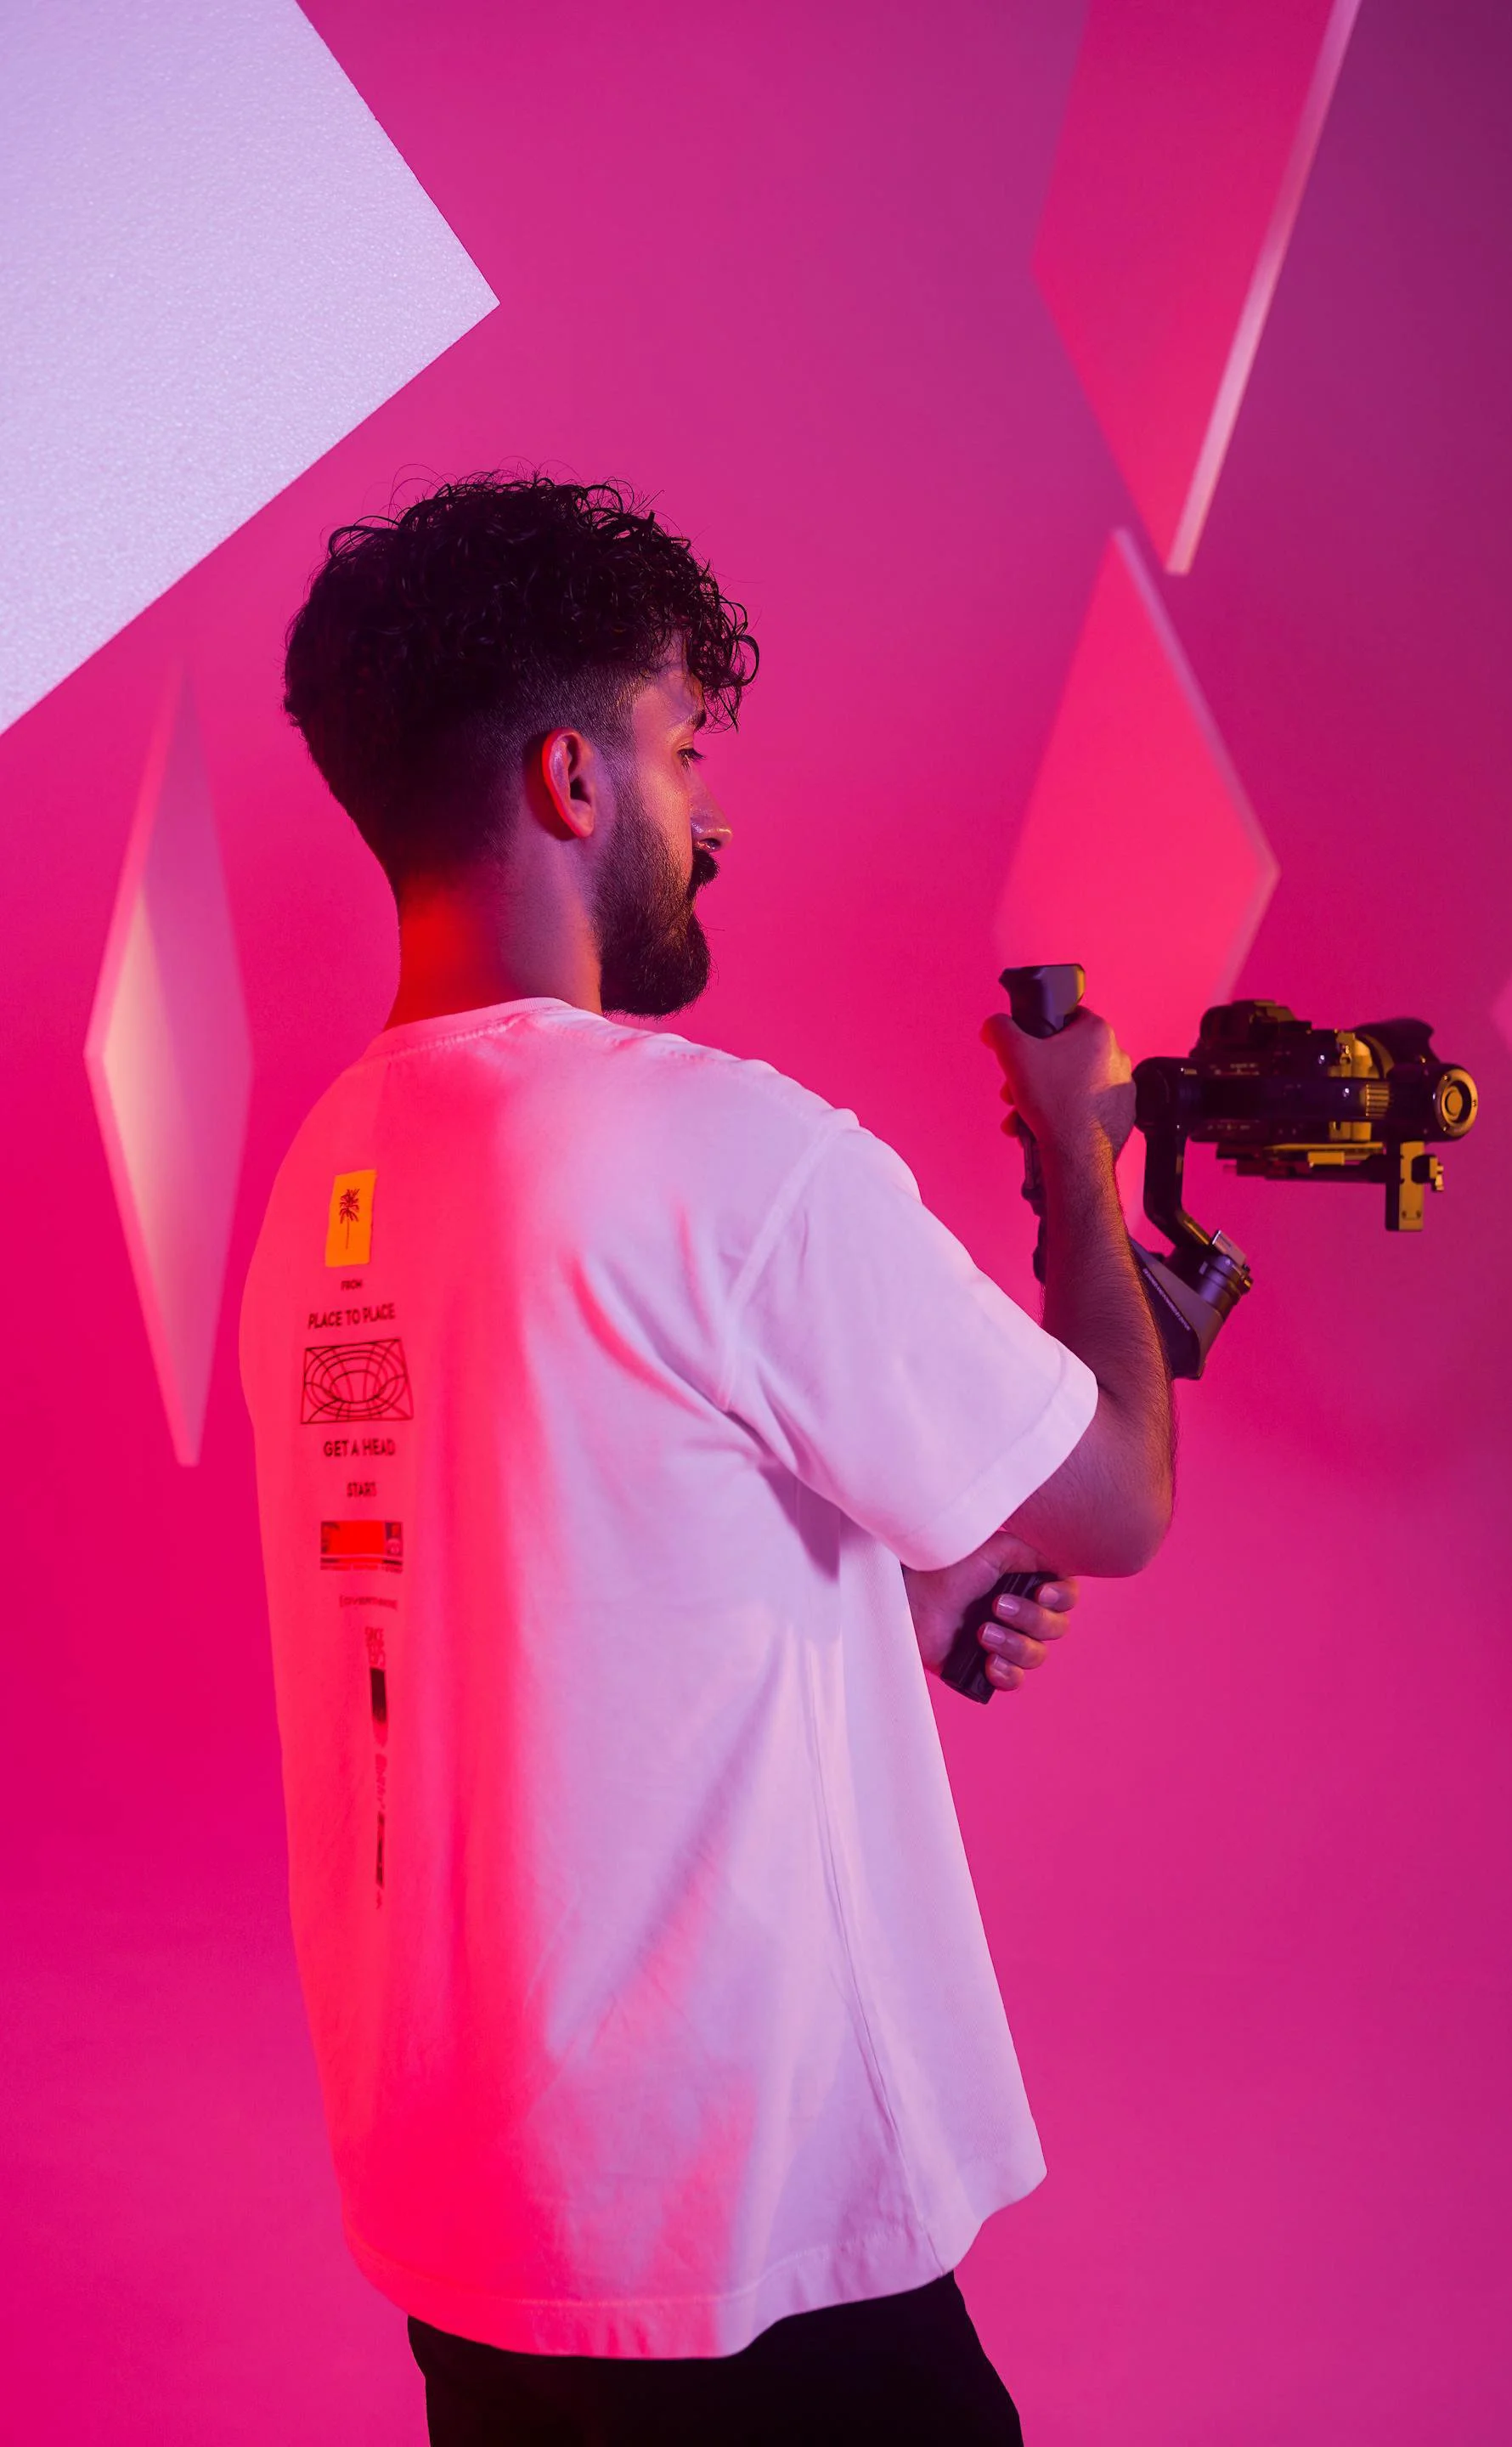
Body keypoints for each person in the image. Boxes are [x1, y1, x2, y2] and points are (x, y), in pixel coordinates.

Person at [240, 475, 1173, 2445]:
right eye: (681, 749)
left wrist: (891, 1609)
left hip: (476, 2230)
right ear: (575, 781)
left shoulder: (329, 1172)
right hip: (743, 2236)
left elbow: (546, 1594)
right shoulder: (714, 1150)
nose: (709, 813)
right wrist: (1080, 1166)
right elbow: (1110, 1497)